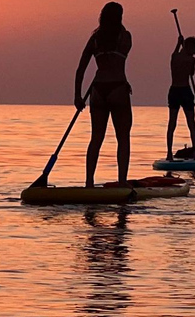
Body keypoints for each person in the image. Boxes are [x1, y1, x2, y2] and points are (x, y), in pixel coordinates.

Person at [75, 2, 132, 187]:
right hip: (117, 88)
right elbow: (120, 59)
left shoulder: (95, 39)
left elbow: (81, 68)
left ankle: (89, 182)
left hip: (98, 91)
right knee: (123, 138)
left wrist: (77, 95)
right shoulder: (125, 36)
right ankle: (122, 182)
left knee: (96, 138)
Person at [166, 36, 195, 161]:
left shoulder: (174, 56)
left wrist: (178, 44)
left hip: (174, 90)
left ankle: (169, 153)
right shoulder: (191, 59)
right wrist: (181, 44)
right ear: (189, 47)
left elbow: (175, 54)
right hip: (184, 90)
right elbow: (191, 73)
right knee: (191, 122)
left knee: (172, 122)